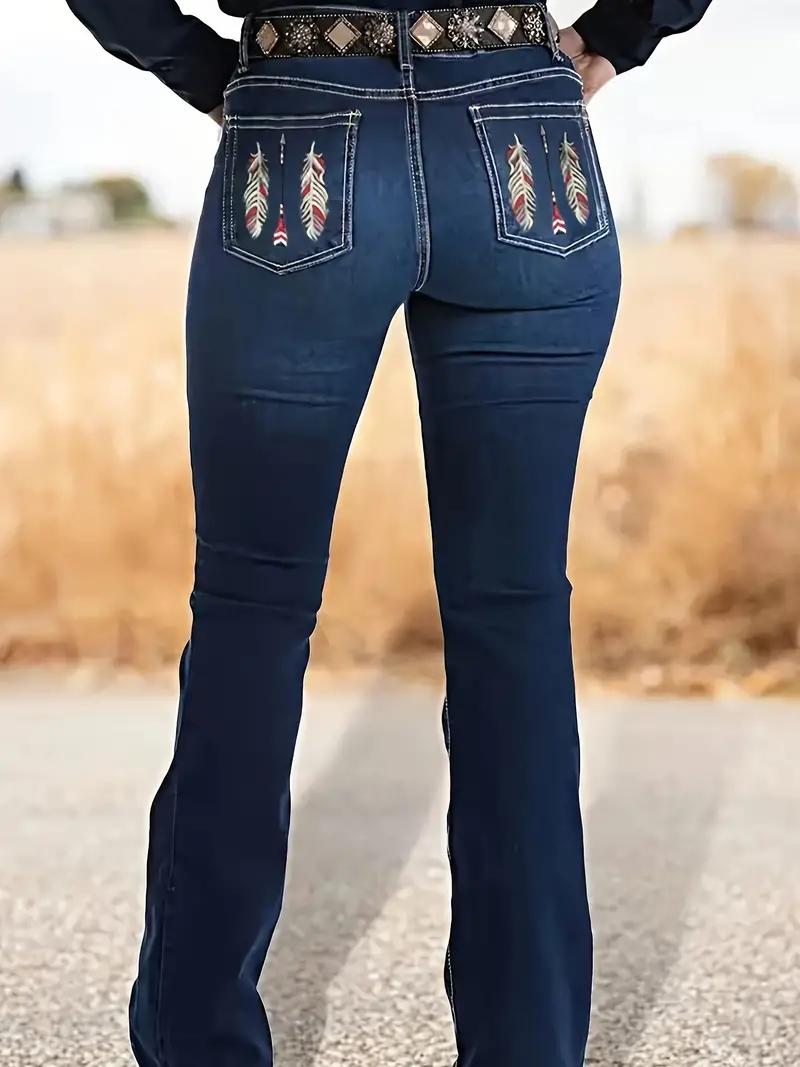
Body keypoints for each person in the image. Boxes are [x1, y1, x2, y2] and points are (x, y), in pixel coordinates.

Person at [65, 2, 714, 1066]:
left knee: (250, 613)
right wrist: (620, 32)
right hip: (521, 132)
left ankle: (200, 1043)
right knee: (513, 618)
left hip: (300, 130)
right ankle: (528, 1046)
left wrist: (194, 65)